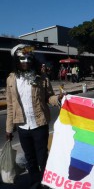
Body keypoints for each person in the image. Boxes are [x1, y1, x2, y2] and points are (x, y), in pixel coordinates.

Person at [6, 44, 63, 189]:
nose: (25, 61)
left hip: (39, 123)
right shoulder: (11, 79)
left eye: (28, 58)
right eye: (22, 58)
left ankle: (46, 182)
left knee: (42, 156)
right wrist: (9, 129)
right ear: (16, 60)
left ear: (32, 59)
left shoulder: (41, 78)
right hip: (22, 125)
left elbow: (49, 97)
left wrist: (58, 99)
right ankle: (34, 181)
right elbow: (11, 105)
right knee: (30, 158)